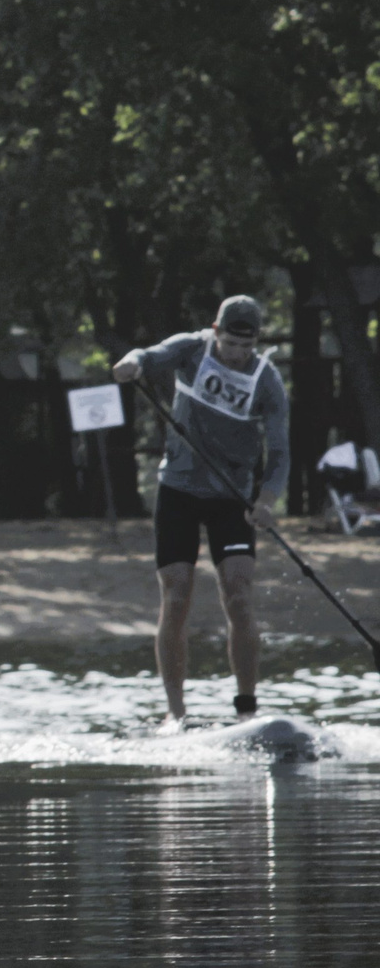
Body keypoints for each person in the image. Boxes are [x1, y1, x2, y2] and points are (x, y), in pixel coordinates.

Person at [112, 293, 290, 724]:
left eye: (246, 346)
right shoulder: (191, 348)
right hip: (179, 492)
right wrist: (130, 362)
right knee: (176, 595)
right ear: (215, 331)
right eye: (230, 344)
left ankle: (246, 711)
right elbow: (149, 355)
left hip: (232, 498)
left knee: (239, 596)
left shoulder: (266, 380)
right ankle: (176, 715)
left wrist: (267, 500)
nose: (237, 354)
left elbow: (281, 451)